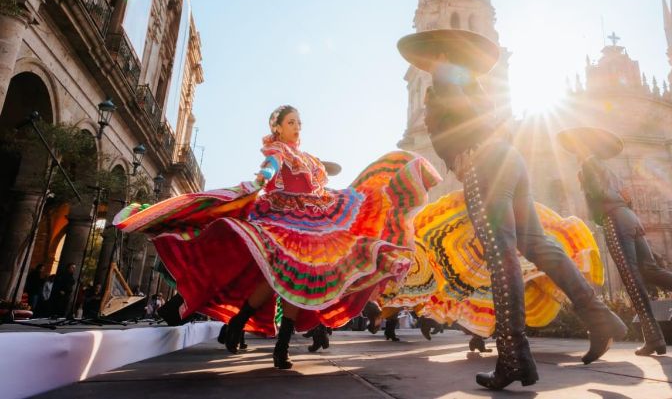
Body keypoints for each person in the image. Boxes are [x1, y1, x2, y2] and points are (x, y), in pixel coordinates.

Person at [115, 105, 440, 369]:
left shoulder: (308, 158)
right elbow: (269, 171)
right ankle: (255, 333)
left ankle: (264, 338)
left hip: (316, 219)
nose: (297, 126)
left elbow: (320, 178)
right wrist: (260, 180)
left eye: (299, 122)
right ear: (278, 127)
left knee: (296, 278)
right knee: (287, 277)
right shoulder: (278, 151)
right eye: (290, 122)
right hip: (282, 218)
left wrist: (326, 174)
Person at [399, 30, 626, 390]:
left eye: (430, 58)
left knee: (500, 251)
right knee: (538, 245)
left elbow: (462, 115)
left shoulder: (447, 76)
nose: (428, 65)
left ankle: (513, 357)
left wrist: (469, 145)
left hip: (483, 163)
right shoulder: (474, 82)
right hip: (509, 158)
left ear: (439, 54)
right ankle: (598, 316)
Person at [558, 127, 672, 356]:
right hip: (630, 219)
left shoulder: (588, 166)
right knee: (651, 271)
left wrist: (600, 202)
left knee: (631, 278)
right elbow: (625, 197)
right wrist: (623, 201)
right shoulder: (609, 169)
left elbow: (600, 194)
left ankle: (654, 337)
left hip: (614, 221)